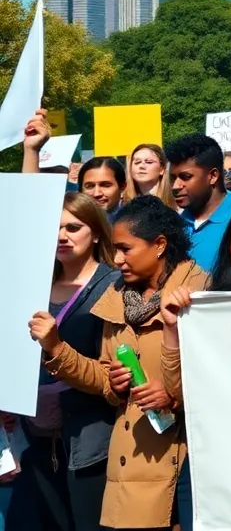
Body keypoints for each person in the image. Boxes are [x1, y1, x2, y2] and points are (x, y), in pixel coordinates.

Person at [34, 196, 208, 531]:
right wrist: (57, 348)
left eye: (126, 249)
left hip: (184, 462)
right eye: (115, 249)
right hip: (130, 463)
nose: (116, 259)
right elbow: (103, 375)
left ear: (160, 245)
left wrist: (174, 396)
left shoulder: (199, 296)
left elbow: (220, 382)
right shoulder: (116, 296)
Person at [11, 193, 118, 531]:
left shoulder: (113, 285)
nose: (62, 236)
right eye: (54, 228)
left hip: (91, 439)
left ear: (96, 233)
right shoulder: (31, 283)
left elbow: (109, 369)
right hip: (34, 437)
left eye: (73, 227)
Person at [165, 134, 231, 272]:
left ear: (213, 176)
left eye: (186, 177)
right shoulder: (174, 225)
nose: (176, 186)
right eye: (173, 178)